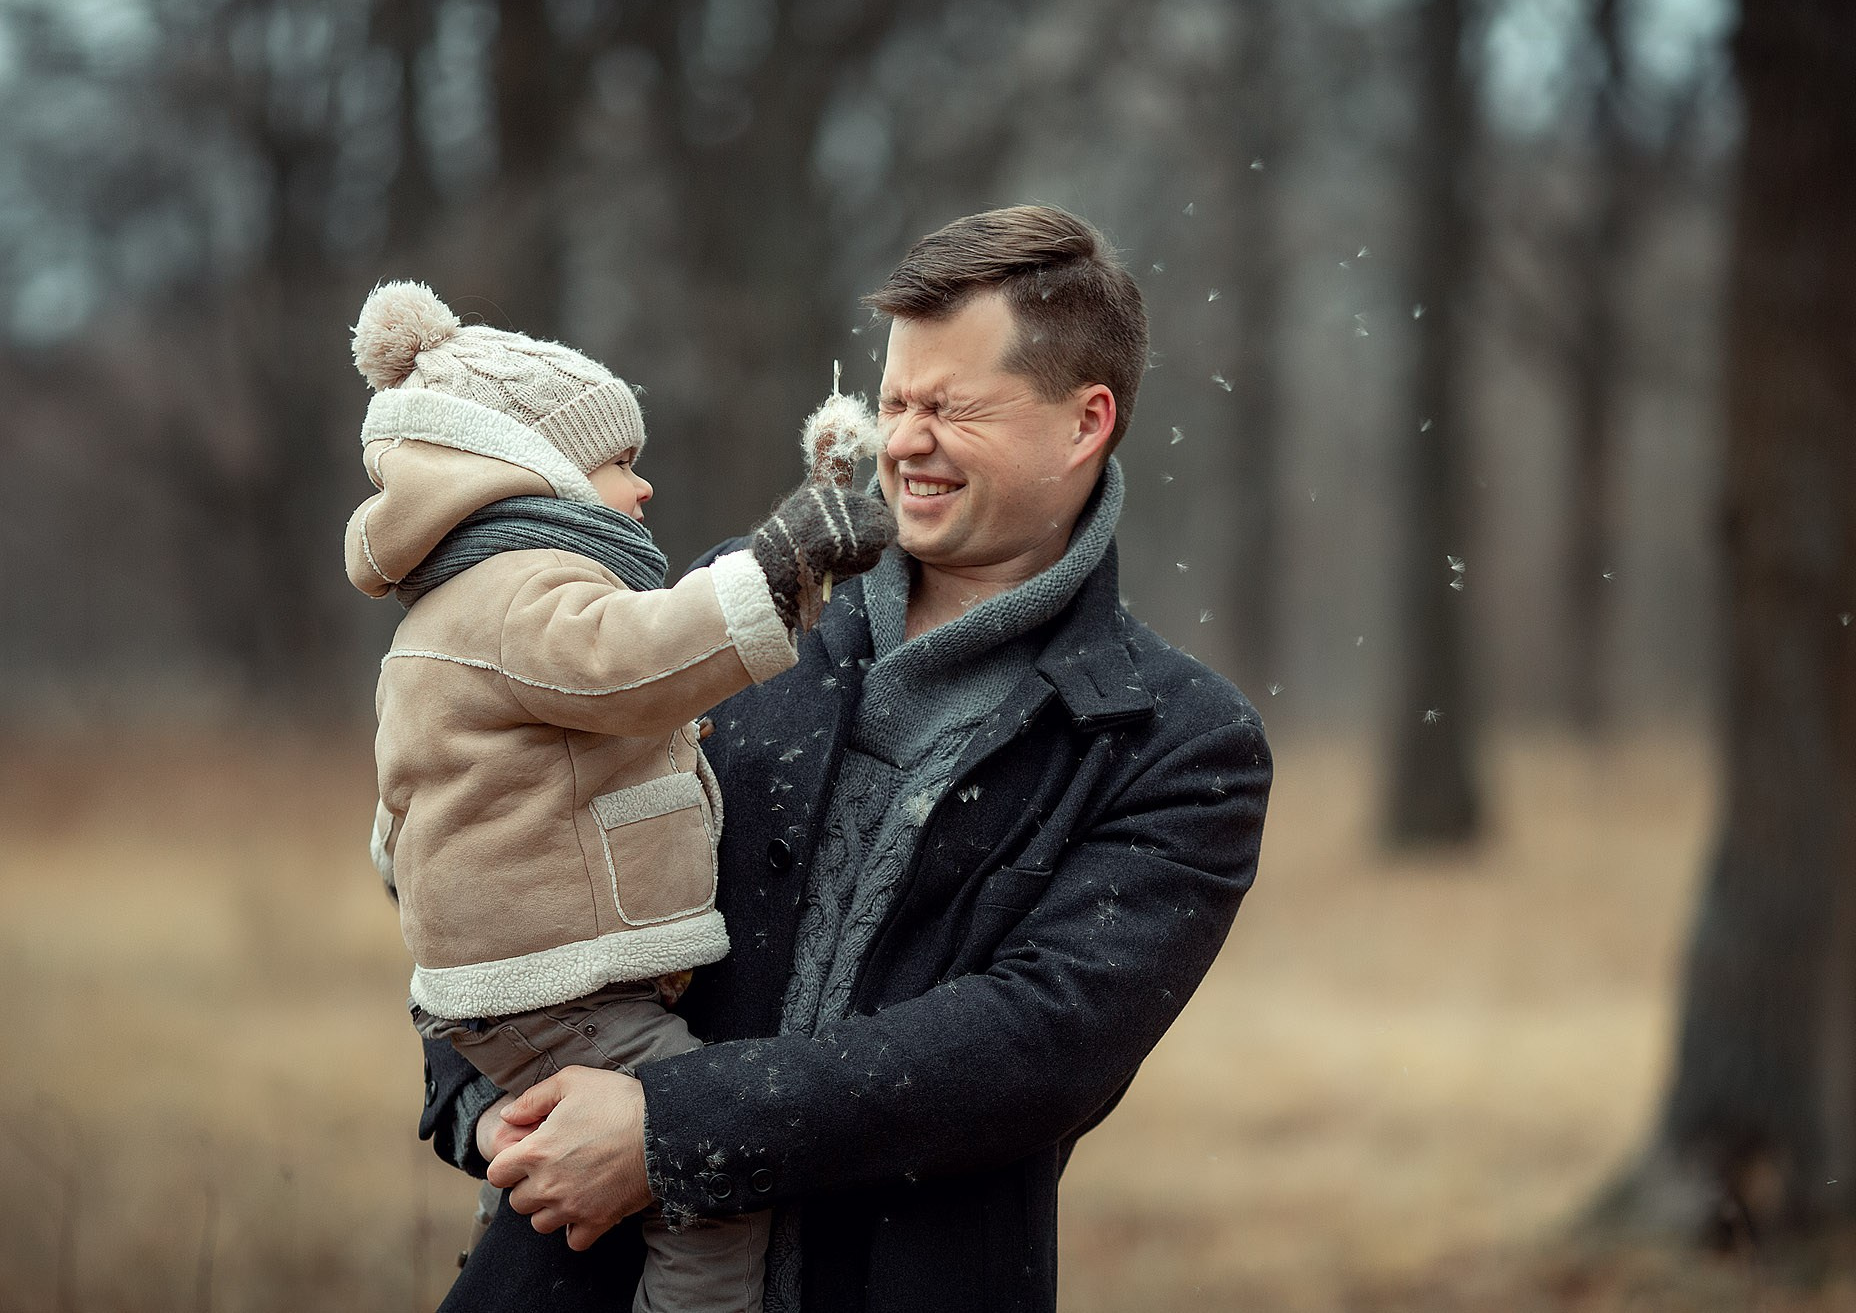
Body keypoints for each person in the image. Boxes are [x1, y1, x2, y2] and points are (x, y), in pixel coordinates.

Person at [422, 205, 1275, 1312]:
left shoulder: (1177, 739)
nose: (903, 441)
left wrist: (671, 1131)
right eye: (894, 402)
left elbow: (1033, 1049)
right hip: (572, 1276)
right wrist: (488, 1105)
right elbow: (505, 831)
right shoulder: (725, 606)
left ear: (1084, 423)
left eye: (951, 407)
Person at [344, 280, 892, 1313]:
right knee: (707, 1184)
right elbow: (629, 661)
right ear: (530, 473)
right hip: (563, 993)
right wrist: (779, 564)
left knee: (567, 1194)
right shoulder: (516, 596)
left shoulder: (448, 612)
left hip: (517, 991)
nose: (642, 493)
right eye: (618, 465)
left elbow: (398, 831)